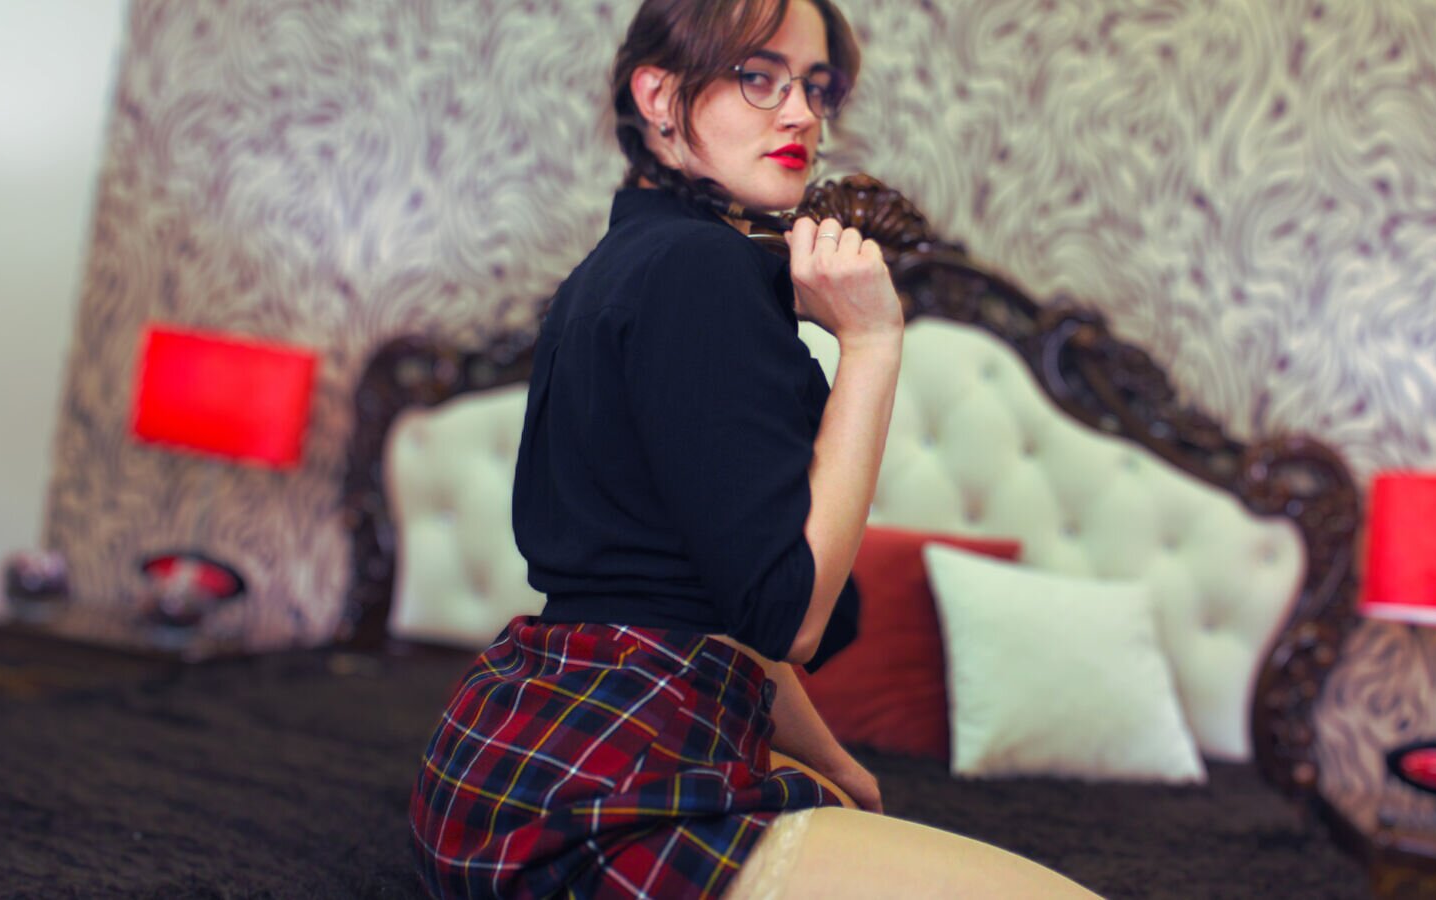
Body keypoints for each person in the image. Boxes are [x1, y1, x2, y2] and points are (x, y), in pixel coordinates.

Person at [409, 1, 1102, 897]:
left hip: (506, 762)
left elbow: (705, 603)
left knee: (839, 803)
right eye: (758, 77)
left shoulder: (623, 266)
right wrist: (872, 341)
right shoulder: (703, 270)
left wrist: (834, 762)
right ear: (657, 95)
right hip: (602, 782)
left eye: (816, 86)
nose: (803, 114)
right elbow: (791, 617)